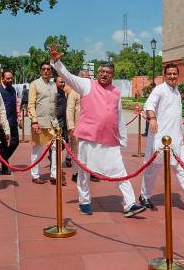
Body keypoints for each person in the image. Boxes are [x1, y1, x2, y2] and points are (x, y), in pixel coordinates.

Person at [50, 45, 146, 218]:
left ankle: (130, 203)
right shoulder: (86, 85)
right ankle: (84, 201)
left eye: (108, 72)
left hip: (109, 139)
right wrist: (57, 62)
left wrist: (123, 139)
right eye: (101, 71)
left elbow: (118, 118)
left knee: (120, 171)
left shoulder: (116, 92)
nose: (104, 74)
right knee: (84, 172)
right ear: (98, 73)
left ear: (112, 75)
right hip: (88, 138)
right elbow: (68, 77)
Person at [140, 64, 184, 214]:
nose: (172, 76)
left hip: (176, 140)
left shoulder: (176, 92)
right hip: (160, 139)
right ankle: (144, 196)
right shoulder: (159, 90)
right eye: (169, 74)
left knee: (183, 170)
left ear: (177, 76)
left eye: (174, 74)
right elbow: (149, 105)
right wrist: (152, 119)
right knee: (152, 170)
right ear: (165, 75)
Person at [28, 61, 61, 185]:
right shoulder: (34, 84)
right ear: (40, 70)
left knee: (56, 148)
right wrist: (34, 121)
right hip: (40, 122)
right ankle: (35, 175)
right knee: (37, 149)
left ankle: (54, 175)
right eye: (44, 69)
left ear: (51, 71)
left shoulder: (53, 85)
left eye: (48, 69)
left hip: (53, 122)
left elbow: (55, 103)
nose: (46, 71)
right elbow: (31, 105)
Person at [66, 70, 98, 183]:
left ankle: (90, 172)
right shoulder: (74, 92)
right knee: (76, 151)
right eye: (86, 78)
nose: (88, 80)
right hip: (77, 127)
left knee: (91, 151)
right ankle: (76, 173)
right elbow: (69, 109)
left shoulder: (93, 91)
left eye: (89, 78)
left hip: (91, 127)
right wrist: (70, 126)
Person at [0, 69, 19, 175]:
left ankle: (3, 159)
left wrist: (19, 118)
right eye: (7, 78)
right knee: (3, 145)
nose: (10, 80)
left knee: (15, 142)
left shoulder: (13, 89)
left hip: (13, 121)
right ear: (2, 79)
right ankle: (5, 166)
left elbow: (16, 105)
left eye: (11, 78)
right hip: (2, 123)